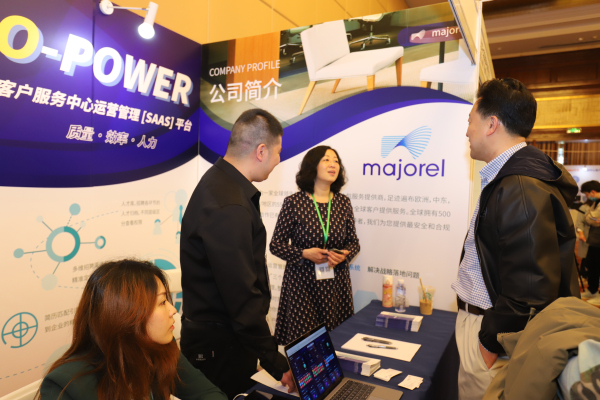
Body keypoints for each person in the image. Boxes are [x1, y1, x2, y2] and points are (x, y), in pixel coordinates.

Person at [451, 78, 580, 400]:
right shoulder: (511, 178)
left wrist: (489, 343)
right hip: (488, 325)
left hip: (493, 334)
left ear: (491, 124)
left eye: (470, 120)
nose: (467, 131)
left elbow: (530, 288)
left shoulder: (519, 186)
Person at [180, 109, 295, 399]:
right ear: (261, 151)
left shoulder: (223, 185)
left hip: (226, 339)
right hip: (219, 346)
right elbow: (241, 296)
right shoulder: (229, 204)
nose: (278, 160)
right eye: (278, 152)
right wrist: (275, 361)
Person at [38, 259, 227, 400]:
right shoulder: (65, 386)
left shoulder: (159, 348)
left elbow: (209, 394)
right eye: (162, 302)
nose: (173, 310)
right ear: (127, 316)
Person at [270, 146, 360, 345]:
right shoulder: (294, 202)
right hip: (302, 286)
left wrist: (344, 255)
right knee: (306, 347)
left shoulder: (343, 203)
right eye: (326, 160)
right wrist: (304, 253)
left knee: (336, 343)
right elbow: (276, 245)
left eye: (336, 161)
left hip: (336, 286)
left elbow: (354, 243)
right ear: (312, 166)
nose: (333, 164)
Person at [577, 180, 600, 299]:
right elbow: (589, 218)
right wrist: (592, 218)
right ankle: (592, 290)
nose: (587, 197)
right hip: (593, 242)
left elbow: (593, 219)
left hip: (597, 242)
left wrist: (591, 218)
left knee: (596, 267)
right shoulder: (593, 204)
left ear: (592, 192)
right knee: (592, 267)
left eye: (586, 194)